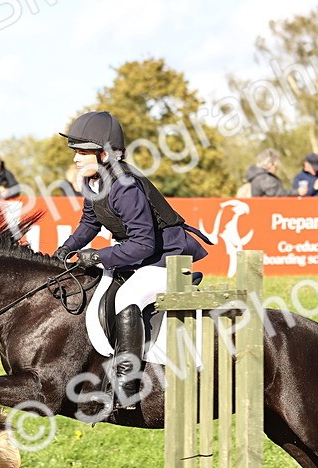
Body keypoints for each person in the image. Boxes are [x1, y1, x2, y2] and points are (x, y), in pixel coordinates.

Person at [53, 110, 210, 411]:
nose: (75, 158)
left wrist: (98, 255)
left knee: (126, 297)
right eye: (75, 152)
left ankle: (127, 385)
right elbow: (89, 223)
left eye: (82, 152)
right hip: (139, 256)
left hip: (167, 259)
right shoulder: (94, 182)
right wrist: (66, 248)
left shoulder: (125, 186)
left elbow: (143, 243)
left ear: (104, 153)